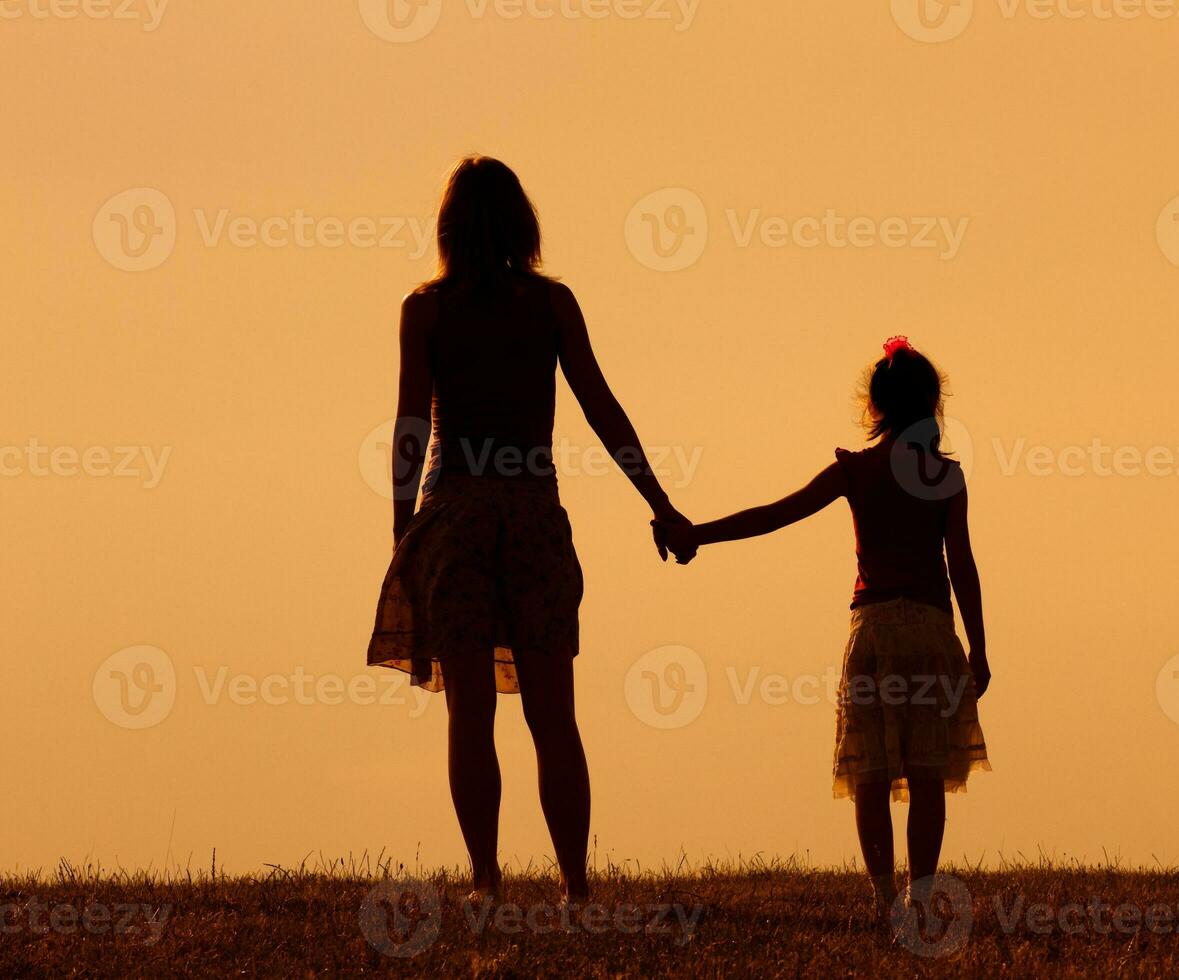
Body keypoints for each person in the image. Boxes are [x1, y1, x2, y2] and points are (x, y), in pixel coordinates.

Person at [367, 156, 691, 905]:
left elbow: (412, 425)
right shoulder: (549, 304)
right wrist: (660, 501)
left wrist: (400, 528)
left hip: (455, 515)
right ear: (522, 223)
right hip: (533, 514)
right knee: (554, 716)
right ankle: (575, 884)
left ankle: (487, 880)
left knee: (470, 713)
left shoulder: (427, 310)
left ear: (448, 227)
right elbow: (603, 410)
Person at [660, 336, 992, 926]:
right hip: (933, 633)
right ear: (932, 406)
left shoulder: (857, 471)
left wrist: (699, 535)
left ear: (876, 405)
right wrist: (980, 647)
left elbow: (774, 514)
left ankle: (883, 895)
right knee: (926, 772)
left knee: (870, 770)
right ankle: (919, 896)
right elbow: (961, 564)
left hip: (873, 632)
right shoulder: (947, 478)